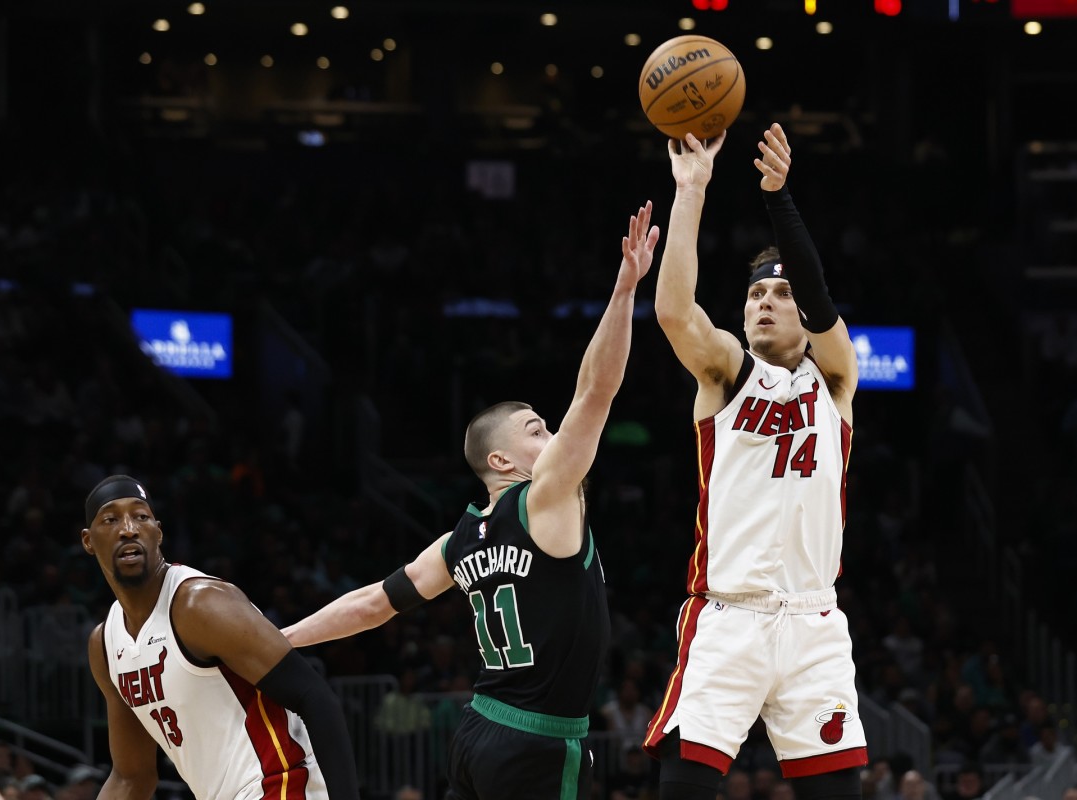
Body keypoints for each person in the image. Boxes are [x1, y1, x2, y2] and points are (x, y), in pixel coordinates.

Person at [282, 202, 660, 800]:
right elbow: (596, 390)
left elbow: (372, 604)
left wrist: (280, 639)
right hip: (539, 746)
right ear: (502, 462)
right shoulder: (546, 500)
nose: (553, 435)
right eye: (536, 429)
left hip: (477, 733)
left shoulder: (459, 540)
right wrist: (623, 292)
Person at [643, 123, 867, 800]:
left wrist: (779, 199)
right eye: (754, 296)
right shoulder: (727, 374)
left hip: (814, 624)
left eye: (780, 295)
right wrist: (691, 190)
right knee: (680, 790)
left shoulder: (835, 381)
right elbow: (675, 314)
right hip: (730, 616)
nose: (763, 303)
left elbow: (822, 300)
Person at [81, 475, 360, 800]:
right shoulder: (105, 644)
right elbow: (131, 777)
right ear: (88, 540)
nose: (128, 528)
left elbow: (316, 697)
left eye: (140, 516)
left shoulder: (200, 605)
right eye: (111, 519)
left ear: (158, 532)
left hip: (282, 787)